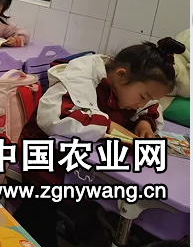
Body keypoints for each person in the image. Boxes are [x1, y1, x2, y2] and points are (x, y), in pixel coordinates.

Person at [14, 38, 186, 247]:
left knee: (91, 221)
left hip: (82, 169)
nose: (142, 103)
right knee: (37, 218)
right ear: (121, 75)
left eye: (148, 99)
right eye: (142, 96)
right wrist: (109, 126)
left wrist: (145, 122)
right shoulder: (79, 79)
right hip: (44, 165)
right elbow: (53, 119)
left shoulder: (130, 89)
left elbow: (150, 108)